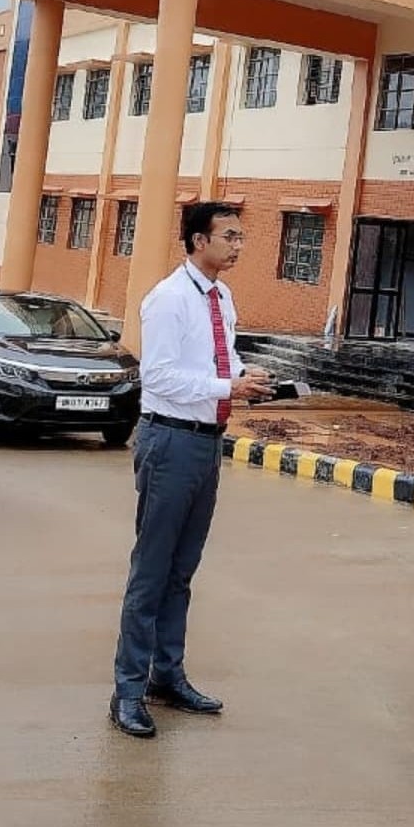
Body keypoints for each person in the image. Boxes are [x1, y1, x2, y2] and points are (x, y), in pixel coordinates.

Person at [110, 200, 271, 738]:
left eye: (241, 236)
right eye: (230, 236)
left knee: (182, 571)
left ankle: (167, 675)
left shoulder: (221, 298)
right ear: (199, 241)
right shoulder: (169, 299)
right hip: (170, 441)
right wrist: (228, 386)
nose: (238, 245)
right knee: (152, 571)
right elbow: (157, 377)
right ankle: (127, 691)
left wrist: (247, 376)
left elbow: (217, 360)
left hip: (206, 443)